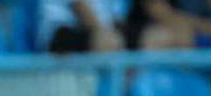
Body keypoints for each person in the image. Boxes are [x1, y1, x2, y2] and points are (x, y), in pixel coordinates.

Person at [41, 0, 194, 52]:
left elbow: (116, 18)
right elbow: (81, 10)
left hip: (107, 31)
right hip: (61, 33)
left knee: (164, 37)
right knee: (110, 42)